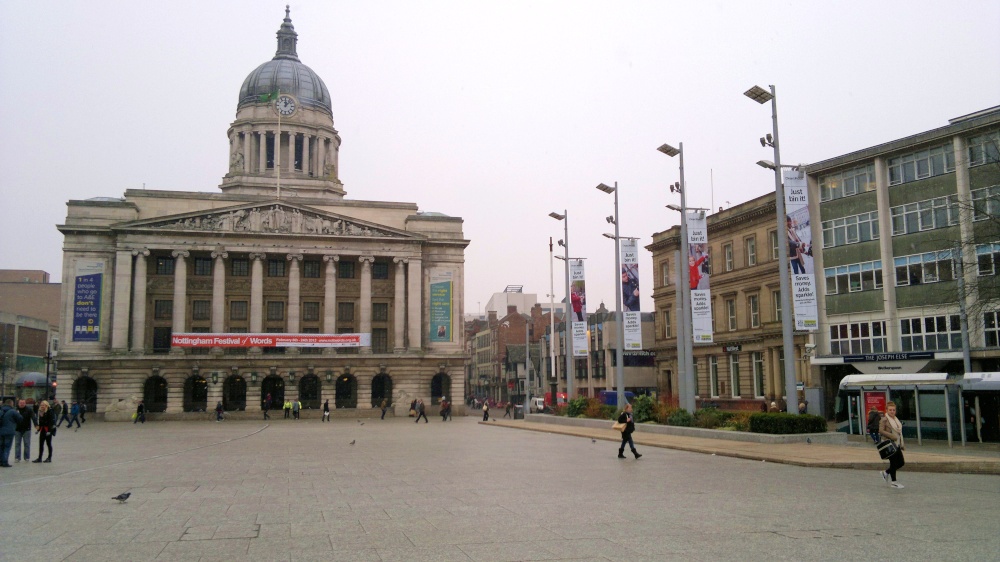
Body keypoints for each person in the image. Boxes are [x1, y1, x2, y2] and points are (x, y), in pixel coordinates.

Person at [878, 401, 906, 488]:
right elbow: (881, 431)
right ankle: (894, 482)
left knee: (901, 462)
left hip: (897, 444)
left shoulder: (896, 419)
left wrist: (901, 443)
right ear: (886, 410)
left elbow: (899, 432)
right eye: (890, 410)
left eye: (894, 410)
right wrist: (892, 436)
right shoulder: (884, 419)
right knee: (894, 463)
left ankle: (886, 472)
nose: (892, 411)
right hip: (889, 444)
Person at [0, 399, 24, 467]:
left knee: (1, 446)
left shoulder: (1, 410)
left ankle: (0, 461)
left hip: (1, 431)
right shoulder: (13, 411)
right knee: (7, 447)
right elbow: (20, 419)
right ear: (11, 404)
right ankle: (5, 462)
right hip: (9, 432)